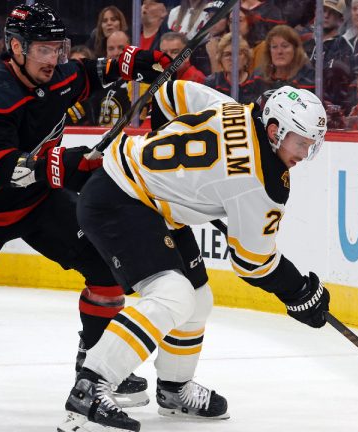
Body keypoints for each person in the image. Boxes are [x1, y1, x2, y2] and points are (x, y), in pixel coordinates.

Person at [56, 46, 330, 432]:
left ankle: (174, 389)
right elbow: (253, 264)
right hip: (120, 201)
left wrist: (167, 169)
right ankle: (92, 384)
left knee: (198, 299)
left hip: (139, 191)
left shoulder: (235, 108)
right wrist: (299, 292)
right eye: (301, 143)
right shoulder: (260, 184)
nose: (305, 153)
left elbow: (168, 97)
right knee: (172, 295)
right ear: (275, 131)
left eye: (312, 144)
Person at [0, 3, 155, 408]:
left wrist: (134, 62)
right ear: (15, 47)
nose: (54, 60)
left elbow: (90, 73)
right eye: (43, 50)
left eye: (58, 49)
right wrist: (66, 164)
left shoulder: (57, 73)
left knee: (106, 269)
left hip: (37, 204)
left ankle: (95, 366)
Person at [67, 31, 132, 126]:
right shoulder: (96, 82)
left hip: (132, 138)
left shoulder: (140, 82)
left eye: (121, 48)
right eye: (111, 48)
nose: (116, 53)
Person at [204, 32, 264, 103]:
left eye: (237, 53)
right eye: (227, 54)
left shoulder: (259, 83)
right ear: (221, 59)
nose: (232, 58)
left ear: (246, 58)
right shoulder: (212, 83)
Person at [253, 25, 315, 92]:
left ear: (295, 50)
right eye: (274, 47)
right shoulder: (258, 77)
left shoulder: (308, 79)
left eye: (285, 46)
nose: (279, 51)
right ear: (269, 52)